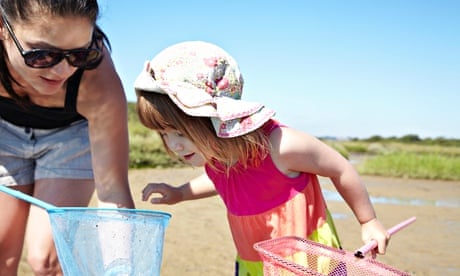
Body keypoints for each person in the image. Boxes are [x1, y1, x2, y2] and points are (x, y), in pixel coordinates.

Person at [135, 41, 390, 275]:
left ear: (212, 116)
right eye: (164, 134)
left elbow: (341, 168)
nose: (173, 145)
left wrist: (368, 220)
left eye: (179, 132)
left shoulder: (281, 145)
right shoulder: (216, 156)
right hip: (254, 261)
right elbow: (220, 180)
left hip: (305, 260)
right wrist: (180, 193)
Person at [0, 0, 135, 275]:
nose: (62, 71)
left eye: (79, 55)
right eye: (41, 55)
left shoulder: (99, 81)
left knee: (47, 259)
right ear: (2, 27)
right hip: (4, 133)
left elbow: (112, 193)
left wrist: (121, 266)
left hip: (70, 137)